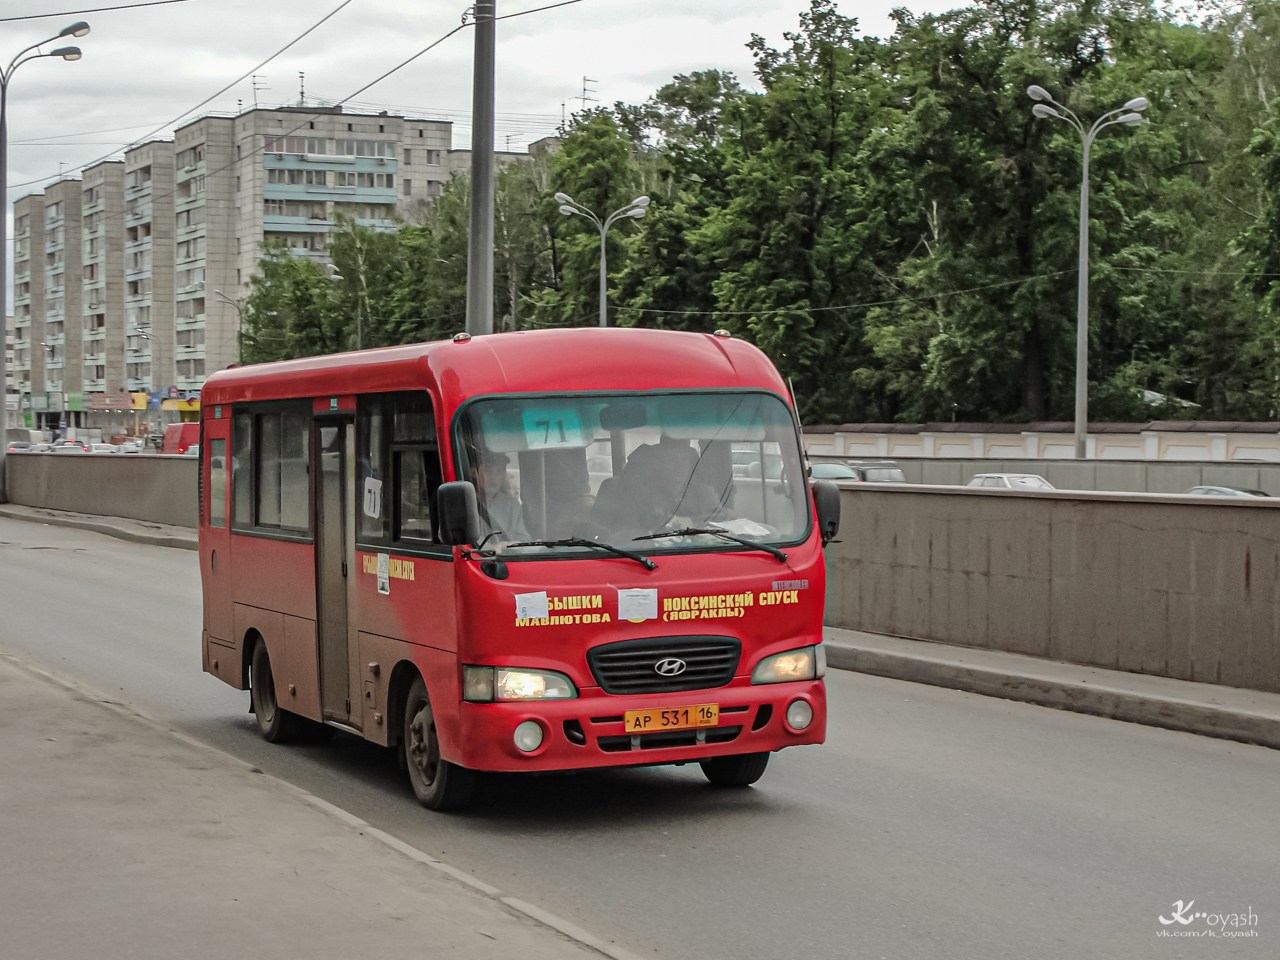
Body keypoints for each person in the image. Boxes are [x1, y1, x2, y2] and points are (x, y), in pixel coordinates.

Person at [474, 448, 530, 542]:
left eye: (499, 471)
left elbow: (523, 540)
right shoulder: (465, 503)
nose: (493, 476)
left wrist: (513, 547)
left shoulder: (512, 505)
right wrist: (491, 548)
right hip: (477, 556)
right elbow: (456, 540)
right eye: (487, 470)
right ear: (474, 472)